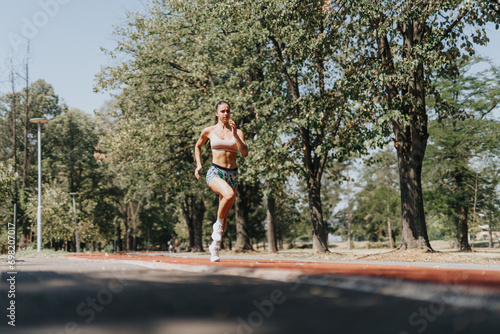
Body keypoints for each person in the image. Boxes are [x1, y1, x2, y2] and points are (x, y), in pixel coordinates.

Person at [194, 101, 248, 262]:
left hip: (232, 174)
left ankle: (215, 249)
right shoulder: (208, 131)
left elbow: (244, 153)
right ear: (217, 113)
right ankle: (216, 227)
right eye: (223, 111)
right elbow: (198, 146)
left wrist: (236, 135)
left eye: (228, 111)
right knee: (229, 195)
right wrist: (198, 165)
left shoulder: (238, 132)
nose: (226, 114)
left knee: (223, 216)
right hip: (215, 171)